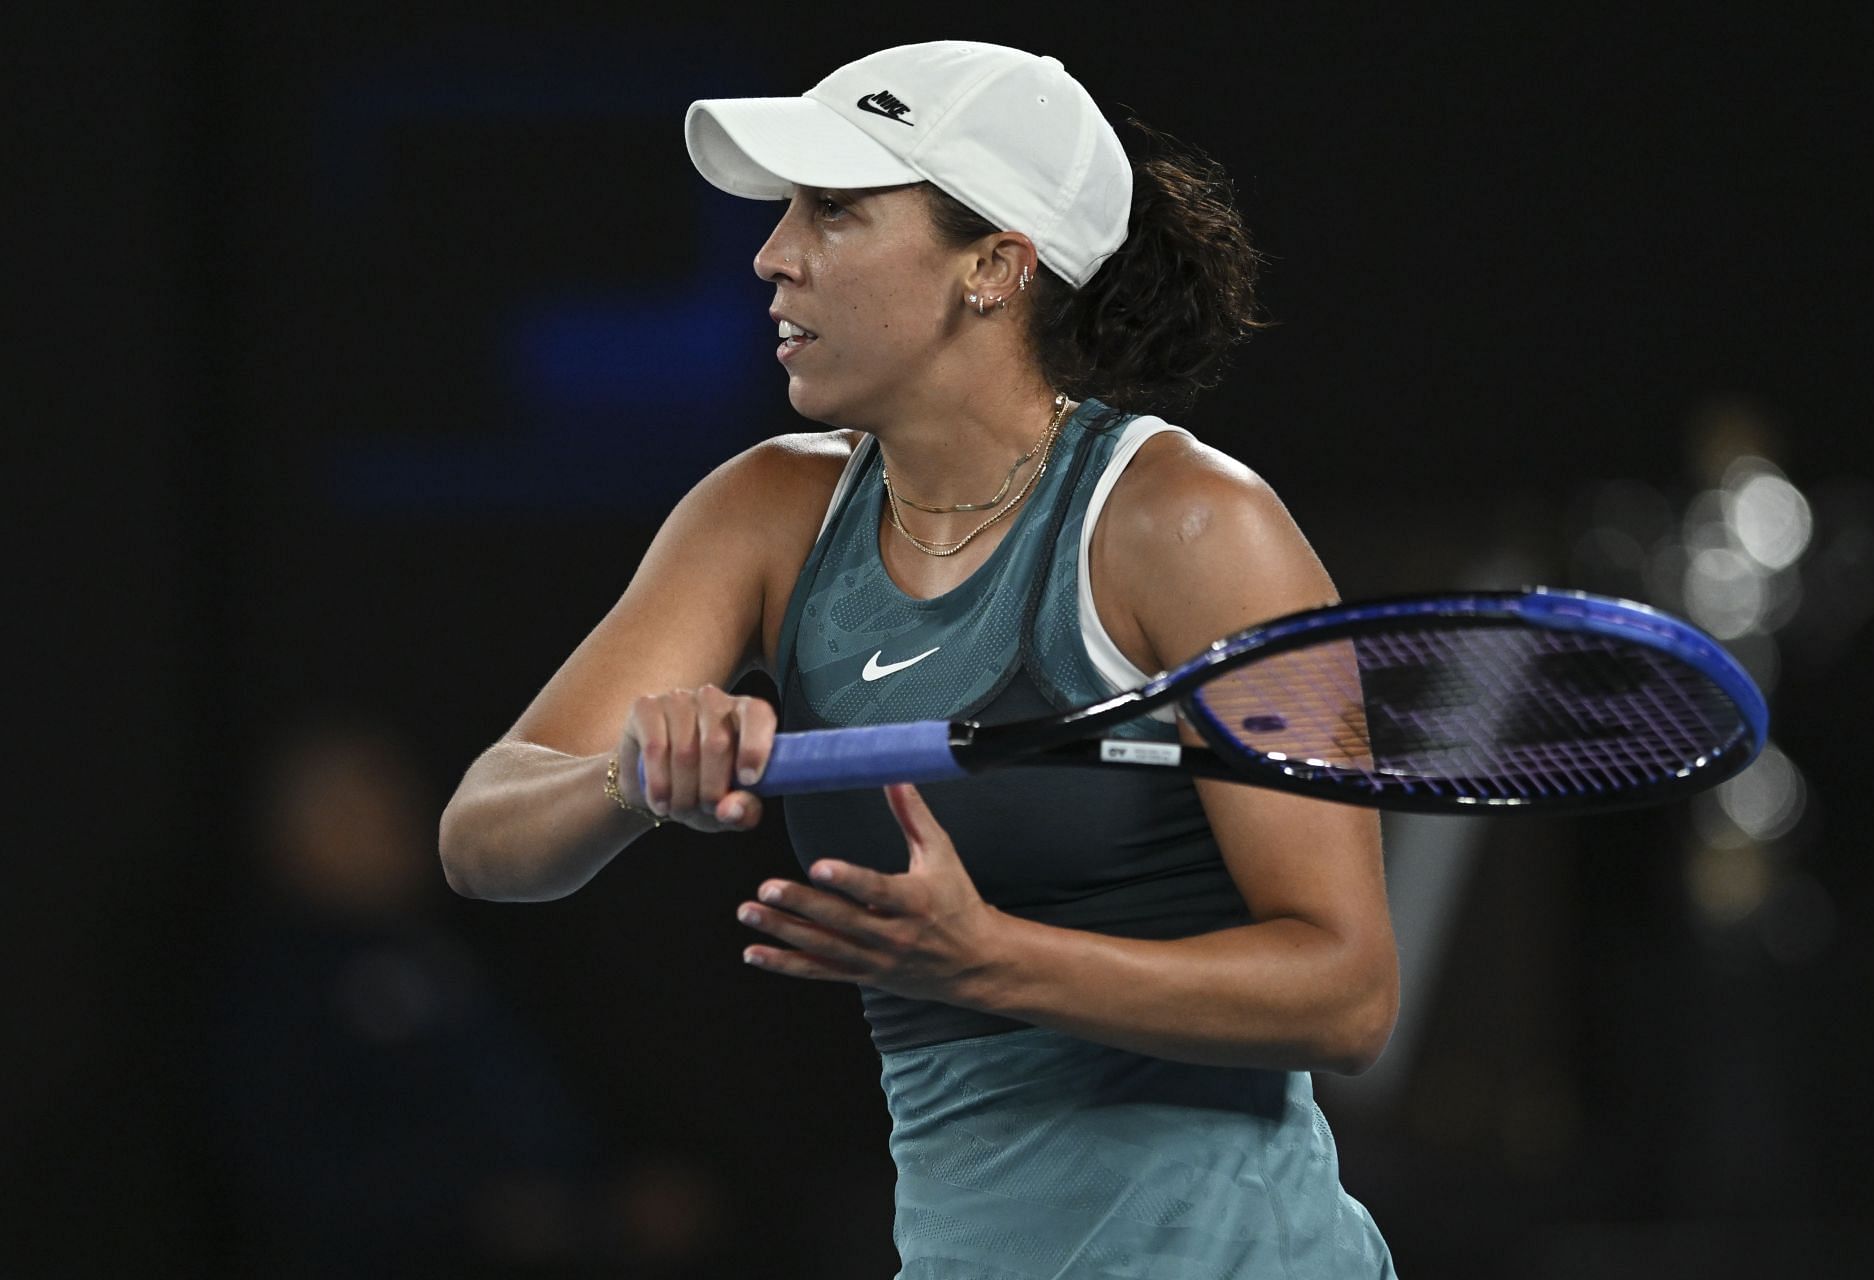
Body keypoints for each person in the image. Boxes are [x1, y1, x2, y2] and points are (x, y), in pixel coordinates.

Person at [441, 40, 1399, 1277]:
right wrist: (631, 776)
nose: (772, 253)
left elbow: (1347, 990)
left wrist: (993, 959)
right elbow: (484, 833)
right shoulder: (765, 513)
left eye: (833, 211)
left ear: (995, 265)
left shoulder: (1199, 524)